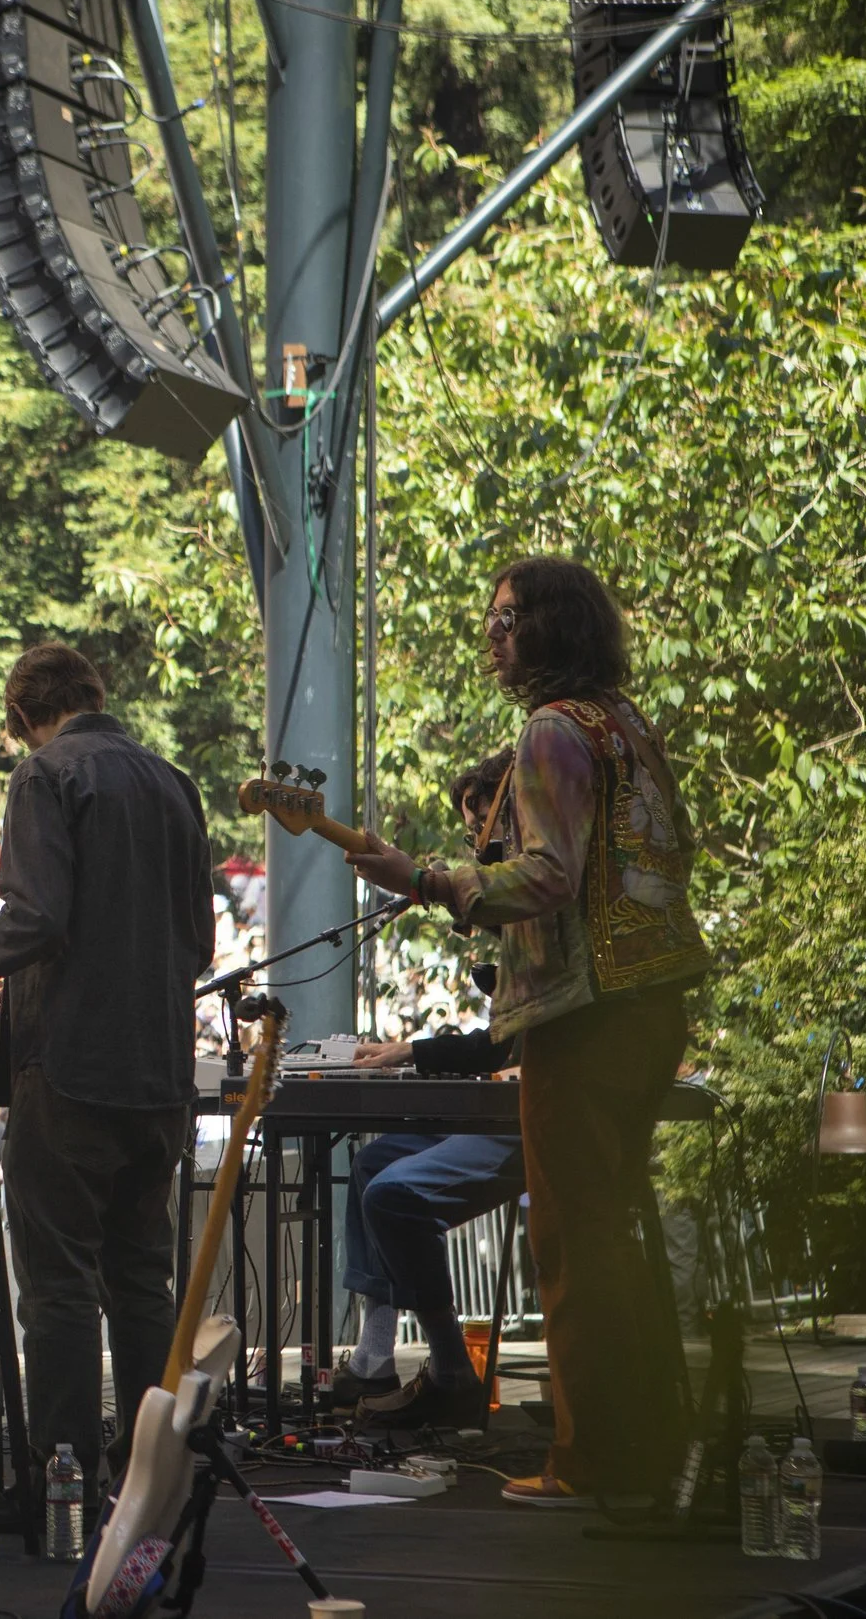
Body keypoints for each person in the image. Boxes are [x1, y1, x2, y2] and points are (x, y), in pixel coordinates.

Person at [346, 556, 708, 1508]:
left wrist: (427, 877)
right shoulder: (626, 722)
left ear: (549, 627)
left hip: (584, 1019)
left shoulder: (552, 729)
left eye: (507, 620)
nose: (492, 636)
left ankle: (591, 1464)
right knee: (614, 1233)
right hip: (651, 1002)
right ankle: (656, 1440)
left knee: (573, 1241)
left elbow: (547, 875)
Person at [0, 641, 214, 1505]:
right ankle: (157, 1476)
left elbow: (34, 918)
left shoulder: (46, 774)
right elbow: (201, 940)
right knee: (143, 1279)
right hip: (161, 1071)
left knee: (61, 1281)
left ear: (23, 715)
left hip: (69, 1066)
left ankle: (64, 1477)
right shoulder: (175, 781)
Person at [335, 752, 525, 1428]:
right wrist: (409, 1051)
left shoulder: (538, 889)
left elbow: (505, 1046)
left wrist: (418, 880)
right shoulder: (512, 904)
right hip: (508, 1104)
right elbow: (498, 1041)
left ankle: (450, 1371)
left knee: (393, 1193)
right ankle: (374, 1356)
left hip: (539, 1115)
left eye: (482, 823)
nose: (478, 843)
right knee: (372, 1161)